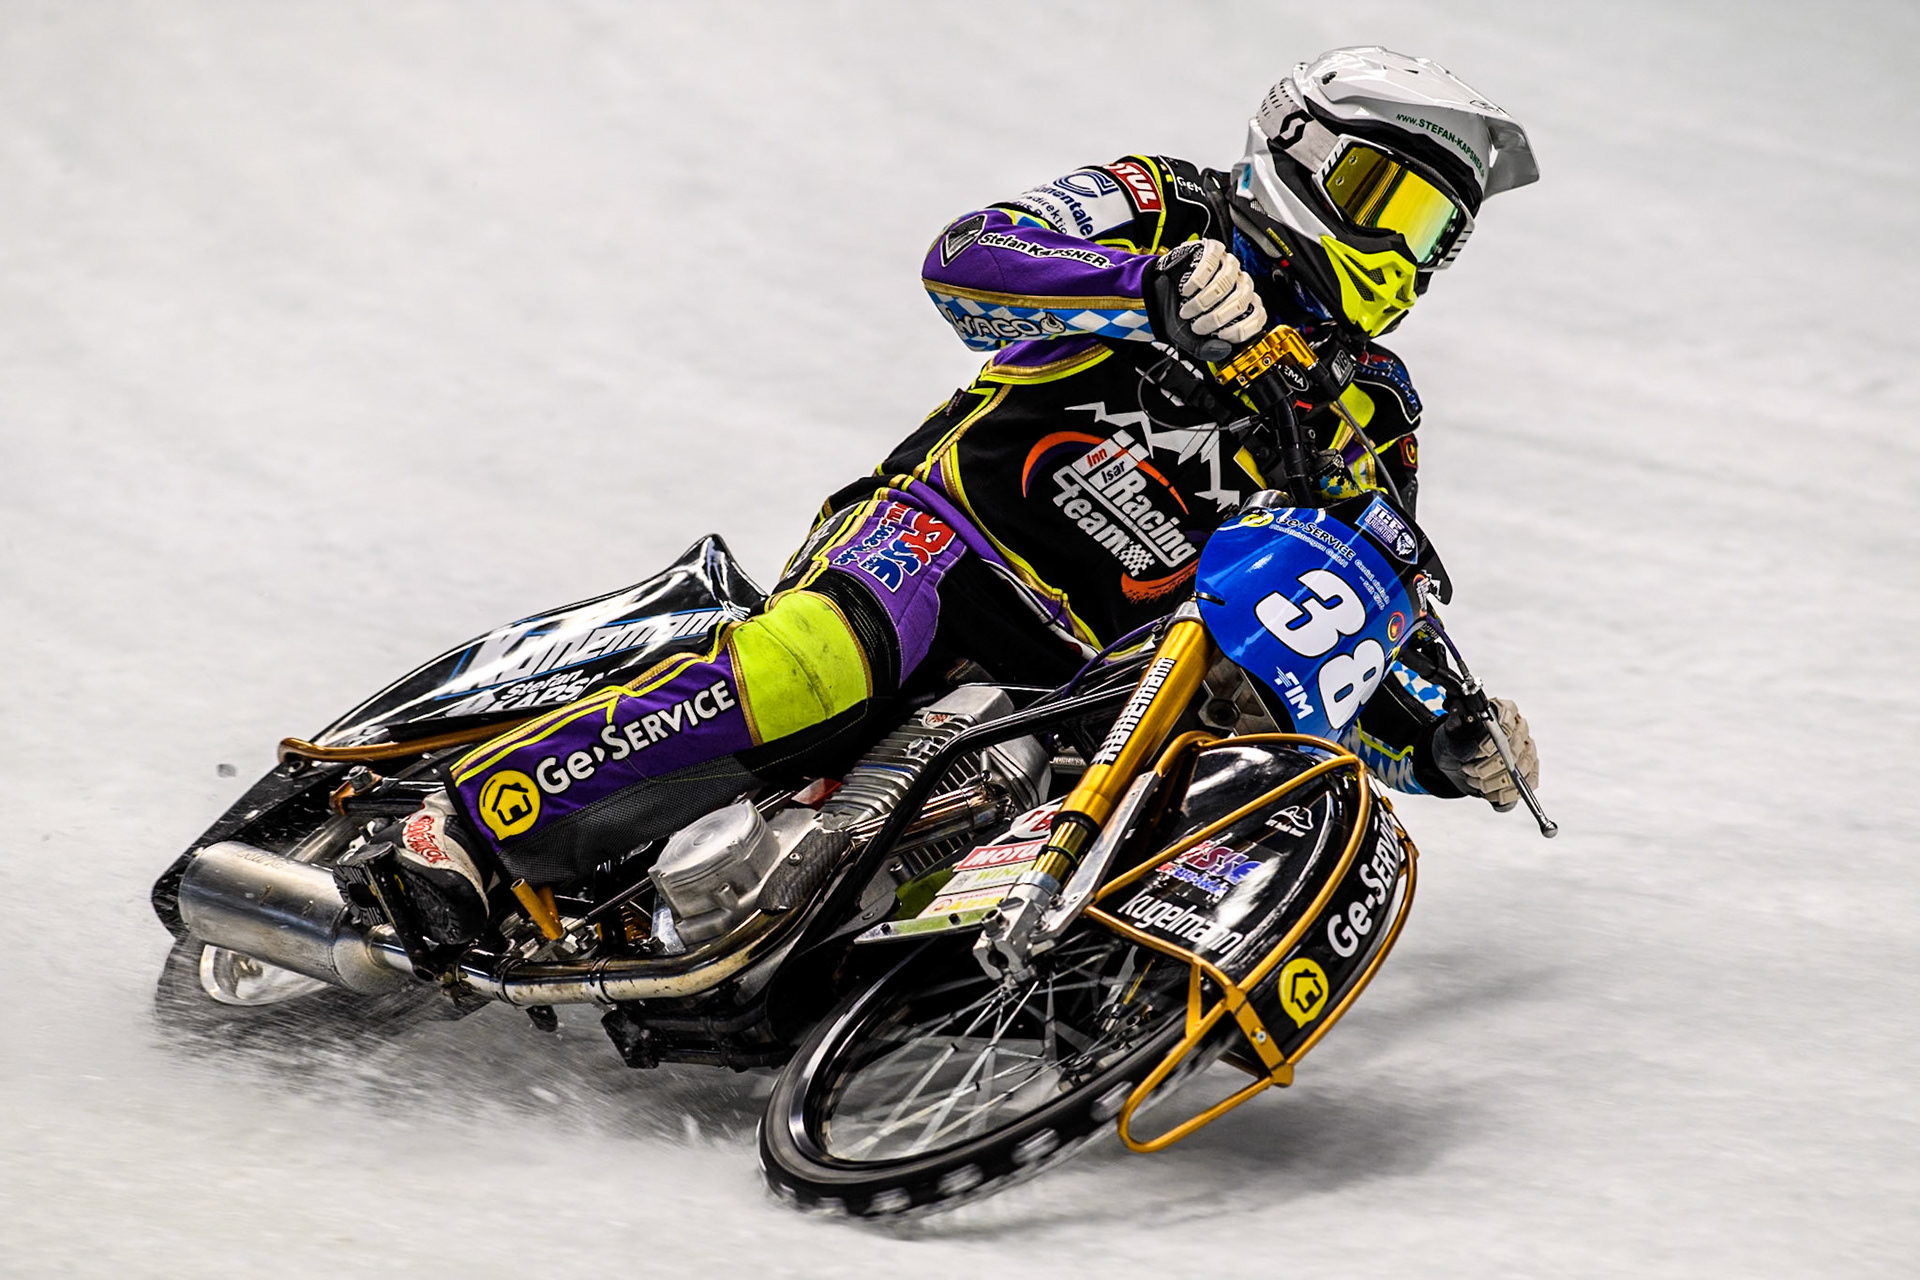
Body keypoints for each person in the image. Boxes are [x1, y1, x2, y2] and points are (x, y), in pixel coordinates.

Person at [393, 46, 1545, 946]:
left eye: (1433, 230)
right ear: (1293, 149)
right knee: (817, 663)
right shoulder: (1164, 202)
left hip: (1087, 675)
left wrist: (1445, 737)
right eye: (1381, 197)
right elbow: (971, 255)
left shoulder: (1377, 409)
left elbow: (1346, 606)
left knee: (1154, 792)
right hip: (941, 540)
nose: (1400, 250)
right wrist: (1148, 291)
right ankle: (468, 820)